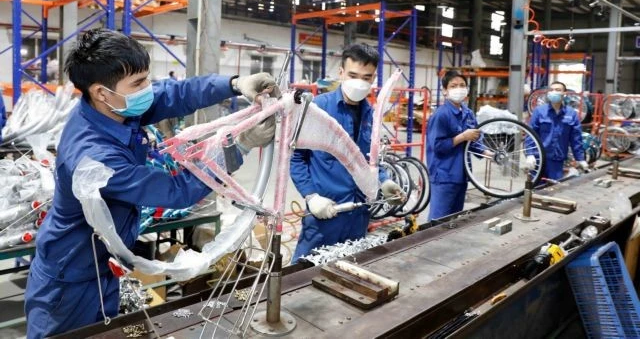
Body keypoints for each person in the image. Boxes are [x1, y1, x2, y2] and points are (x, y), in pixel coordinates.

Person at [24, 29, 279, 339]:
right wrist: (238, 147)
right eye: (139, 83)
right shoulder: (95, 159)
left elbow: (175, 94)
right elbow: (177, 190)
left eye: (146, 78)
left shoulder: (114, 109)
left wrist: (234, 84)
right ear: (101, 92)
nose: (148, 88)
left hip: (99, 264)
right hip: (68, 282)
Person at [290, 43, 405, 261]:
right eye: (353, 75)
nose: (359, 82)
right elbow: (296, 158)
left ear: (373, 79)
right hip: (325, 214)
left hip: (359, 214)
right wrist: (311, 196)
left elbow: (368, 159)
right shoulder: (318, 109)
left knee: (350, 272)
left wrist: (383, 180)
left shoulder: (371, 115)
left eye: (366, 77)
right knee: (303, 276)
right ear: (341, 73)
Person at [426, 70, 491, 221]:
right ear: (444, 91)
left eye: (462, 85)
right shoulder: (441, 115)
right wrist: (462, 136)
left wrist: (487, 153)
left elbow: (473, 142)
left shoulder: (468, 113)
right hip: (444, 176)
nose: (459, 89)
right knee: (438, 220)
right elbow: (438, 147)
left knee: (454, 219)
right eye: (453, 86)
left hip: (462, 175)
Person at [525, 81, 587, 180]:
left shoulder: (571, 114)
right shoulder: (539, 111)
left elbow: (576, 139)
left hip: (557, 160)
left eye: (558, 90)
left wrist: (580, 159)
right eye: (551, 90)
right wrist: (530, 154)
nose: (554, 92)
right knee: (535, 189)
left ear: (565, 93)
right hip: (538, 158)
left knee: (554, 188)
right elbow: (531, 134)